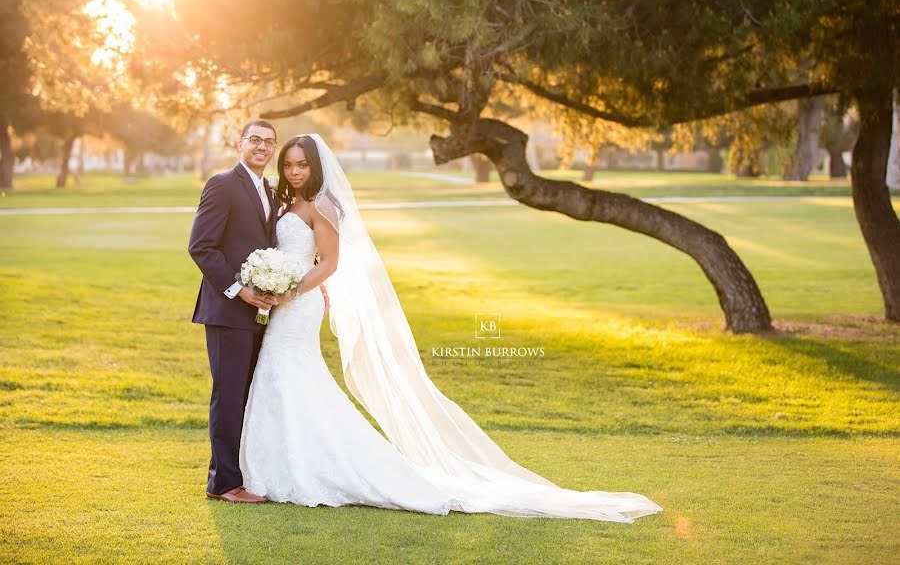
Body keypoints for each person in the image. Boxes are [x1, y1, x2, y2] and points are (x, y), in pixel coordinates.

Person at [238, 133, 663, 522]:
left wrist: (291, 291)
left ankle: (322, 466)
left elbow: (330, 262)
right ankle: (286, 463)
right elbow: (301, 256)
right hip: (286, 301)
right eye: (289, 165)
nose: (294, 171)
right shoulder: (287, 204)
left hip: (299, 303)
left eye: (302, 165)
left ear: (316, 166)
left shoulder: (323, 205)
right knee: (285, 375)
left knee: (292, 372)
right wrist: (274, 281)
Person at [188, 120, 328, 503]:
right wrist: (240, 291)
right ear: (240, 143)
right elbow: (201, 247)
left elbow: (284, 247)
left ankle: (247, 473)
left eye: (269, 142)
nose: (262, 147)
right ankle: (223, 484)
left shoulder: (269, 191)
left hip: (262, 313)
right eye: (255, 140)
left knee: (250, 395)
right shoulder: (222, 185)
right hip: (227, 310)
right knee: (229, 395)